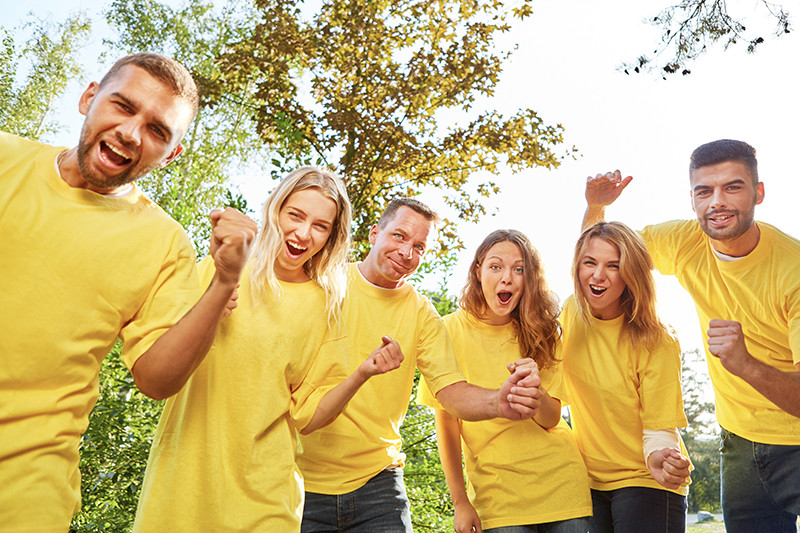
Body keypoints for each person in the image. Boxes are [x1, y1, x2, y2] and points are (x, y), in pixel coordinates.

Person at [0, 53, 256, 532]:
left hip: (26, 492)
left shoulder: (164, 244)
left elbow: (157, 380)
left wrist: (224, 282)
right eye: (122, 106)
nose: (131, 133)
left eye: (158, 130)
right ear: (89, 97)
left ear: (172, 153)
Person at [133, 167, 404, 531]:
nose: (304, 233)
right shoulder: (218, 270)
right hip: (183, 482)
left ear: (332, 236)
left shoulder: (326, 306)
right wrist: (212, 306)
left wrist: (362, 373)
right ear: (275, 210)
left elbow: (308, 416)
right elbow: (159, 373)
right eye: (295, 215)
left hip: (266, 496)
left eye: (320, 226)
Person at [583, 139, 800, 532]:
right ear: (693, 199)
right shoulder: (686, 243)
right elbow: (596, 262)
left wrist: (746, 365)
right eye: (705, 190)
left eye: (732, 187)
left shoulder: (793, 270)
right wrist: (596, 207)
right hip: (740, 443)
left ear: (759, 192)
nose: (717, 201)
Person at [298, 198, 545, 533]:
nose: (406, 252)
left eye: (419, 247)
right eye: (399, 237)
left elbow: (451, 392)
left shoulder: (421, 314)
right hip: (301, 479)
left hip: (378, 483)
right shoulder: (323, 284)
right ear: (374, 234)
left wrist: (497, 402)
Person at [420, 229, 592, 533]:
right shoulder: (447, 331)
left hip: (563, 488)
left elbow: (551, 419)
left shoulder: (543, 332)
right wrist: (460, 502)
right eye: (495, 266)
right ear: (478, 270)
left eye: (519, 269)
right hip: (497, 499)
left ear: (529, 278)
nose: (507, 278)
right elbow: (447, 423)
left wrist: (535, 393)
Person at [562, 221, 691, 533]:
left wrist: (660, 458)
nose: (597, 275)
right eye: (589, 263)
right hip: (589, 480)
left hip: (646, 478)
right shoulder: (570, 313)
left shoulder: (657, 339)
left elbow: (659, 428)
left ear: (631, 275)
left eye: (614, 266)